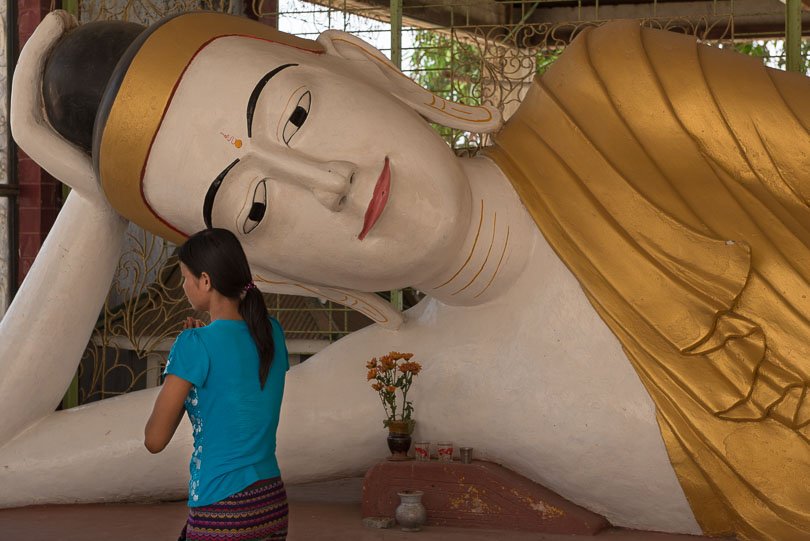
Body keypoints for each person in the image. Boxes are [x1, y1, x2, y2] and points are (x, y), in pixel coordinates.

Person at [144, 228, 290, 541]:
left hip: (222, 507)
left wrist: (187, 360)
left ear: (206, 281)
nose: (183, 285)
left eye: (185, 277)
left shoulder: (194, 345)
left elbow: (154, 440)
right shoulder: (273, 333)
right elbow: (236, 379)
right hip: (271, 502)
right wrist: (198, 352)